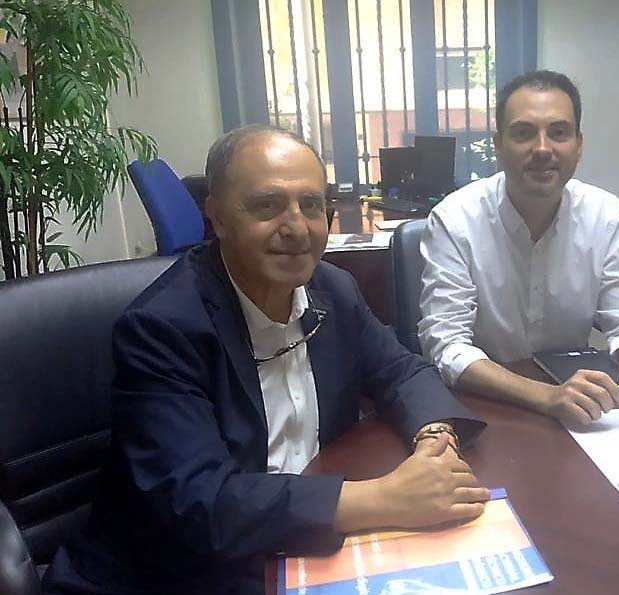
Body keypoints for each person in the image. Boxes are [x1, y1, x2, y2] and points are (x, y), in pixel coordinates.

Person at [42, 125, 489, 595]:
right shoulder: (162, 328)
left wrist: (434, 439)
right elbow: (199, 502)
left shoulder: (333, 290)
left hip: (298, 544)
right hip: (176, 573)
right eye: (267, 206)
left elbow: (402, 369)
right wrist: (384, 498)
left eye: (311, 205)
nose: (297, 228)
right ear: (217, 218)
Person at [419, 70, 619, 427]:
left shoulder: (605, 215)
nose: (542, 149)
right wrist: (546, 397)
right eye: (523, 133)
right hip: (486, 405)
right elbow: (446, 346)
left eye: (559, 132)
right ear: (498, 144)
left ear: (578, 144)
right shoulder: (455, 219)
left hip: (579, 405)